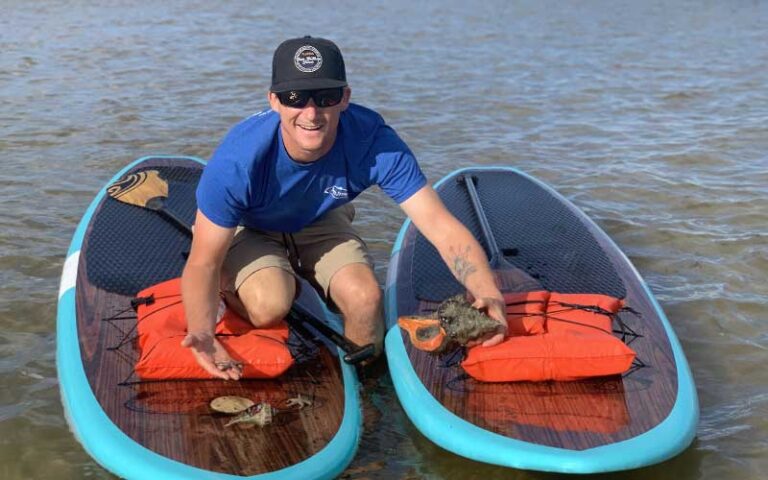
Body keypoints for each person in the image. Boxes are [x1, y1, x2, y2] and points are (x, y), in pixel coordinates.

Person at [181, 36, 507, 380]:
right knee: (269, 305)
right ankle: (249, 287)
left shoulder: (376, 143)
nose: (311, 113)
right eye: (295, 98)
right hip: (251, 223)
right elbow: (204, 261)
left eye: (326, 97)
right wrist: (202, 330)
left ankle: (362, 389)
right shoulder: (237, 161)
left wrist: (488, 292)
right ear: (274, 101)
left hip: (319, 216)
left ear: (345, 98)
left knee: (366, 299)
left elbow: (441, 227)